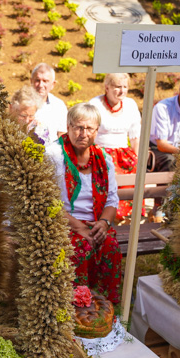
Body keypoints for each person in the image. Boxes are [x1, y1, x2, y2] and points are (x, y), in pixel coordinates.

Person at [47, 103, 122, 305]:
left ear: (97, 130)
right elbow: (46, 202)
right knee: (79, 249)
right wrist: (79, 227)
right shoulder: (53, 155)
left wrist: (104, 224)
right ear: (68, 127)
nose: (83, 133)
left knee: (110, 247)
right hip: (62, 223)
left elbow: (112, 199)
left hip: (95, 224)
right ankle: (74, 309)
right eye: (78, 127)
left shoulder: (103, 159)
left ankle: (104, 308)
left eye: (89, 128)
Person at [88, 73, 143, 222]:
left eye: (125, 87)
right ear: (107, 88)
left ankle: (126, 216)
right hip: (100, 151)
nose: (122, 91)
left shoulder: (130, 105)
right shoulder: (95, 104)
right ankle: (104, 215)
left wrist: (137, 159)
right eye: (118, 87)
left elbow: (135, 135)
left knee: (134, 168)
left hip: (124, 152)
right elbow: (89, 133)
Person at [31, 63, 68, 138]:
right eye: (37, 80)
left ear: (53, 84)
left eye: (45, 81)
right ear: (31, 81)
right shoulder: (22, 103)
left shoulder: (59, 105)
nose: (41, 85)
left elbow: (62, 135)